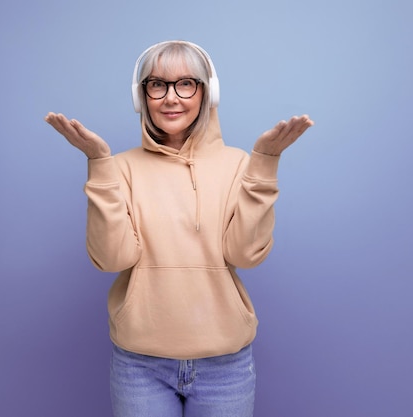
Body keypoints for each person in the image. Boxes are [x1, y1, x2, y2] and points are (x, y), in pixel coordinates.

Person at [45, 40, 313, 417]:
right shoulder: (120, 168)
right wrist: (99, 165)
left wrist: (265, 164)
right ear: (142, 97)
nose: (171, 97)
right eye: (157, 85)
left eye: (186, 83)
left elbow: (245, 255)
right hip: (140, 364)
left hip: (225, 364)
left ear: (207, 93)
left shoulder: (237, 164)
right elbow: (111, 259)